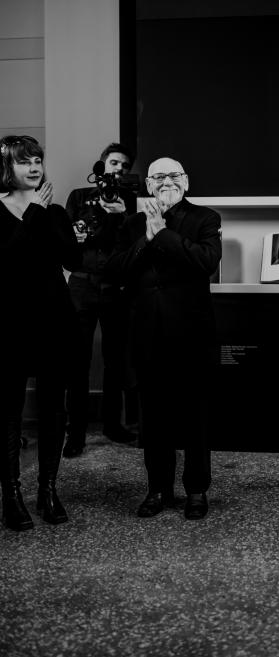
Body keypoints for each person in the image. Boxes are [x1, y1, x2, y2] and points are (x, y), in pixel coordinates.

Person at [105, 157, 221, 519]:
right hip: (147, 334)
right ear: (149, 185)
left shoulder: (206, 218)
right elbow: (114, 268)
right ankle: (158, 489)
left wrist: (165, 234)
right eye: (159, 176)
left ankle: (197, 491)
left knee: (195, 417)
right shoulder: (134, 224)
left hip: (191, 333)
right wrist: (148, 237)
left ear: (186, 182)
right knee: (153, 419)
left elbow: (205, 262)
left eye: (174, 175)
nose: (167, 181)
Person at [0, 135, 81, 530]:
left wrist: (49, 216)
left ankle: (48, 490)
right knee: (8, 412)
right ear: (6, 168)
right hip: (10, 324)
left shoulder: (52, 210)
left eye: (37, 159)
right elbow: (6, 259)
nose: (34, 167)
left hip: (54, 322)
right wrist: (33, 211)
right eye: (23, 161)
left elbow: (73, 258)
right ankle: (10, 494)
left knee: (54, 408)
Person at [63, 143, 139, 458]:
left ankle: (112, 425)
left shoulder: (131, 202)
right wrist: (74, 237)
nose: (118, 169)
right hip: (81, 284)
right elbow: (64, 243)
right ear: (102, 165)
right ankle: (75, 433)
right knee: (77, 361)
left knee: (115, 361)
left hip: (115, 287)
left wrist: (122, 217)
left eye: (124, 165)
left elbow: (137, 243)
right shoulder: (79, 196)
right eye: (113, 163)